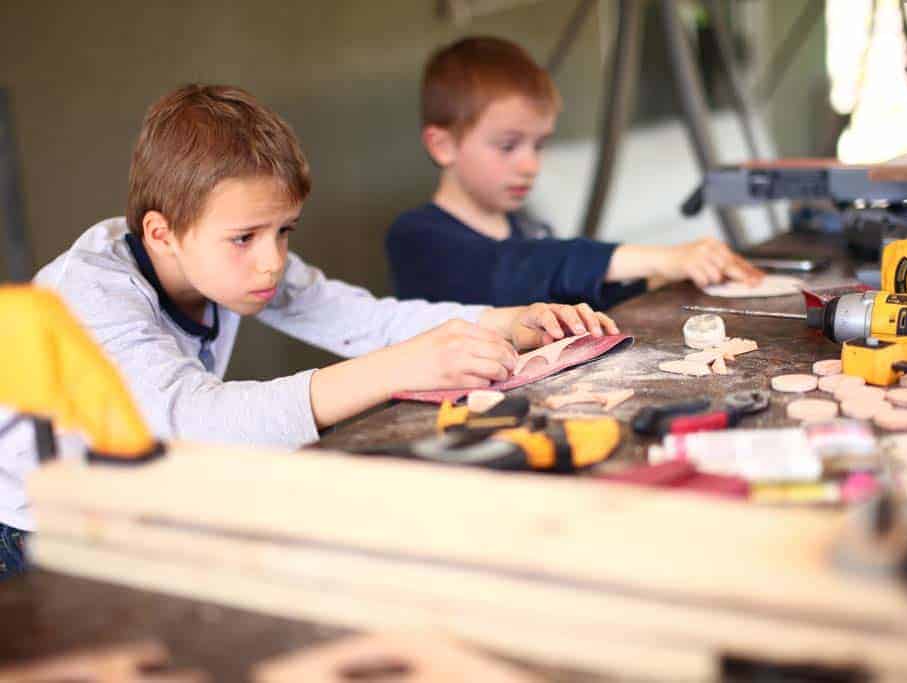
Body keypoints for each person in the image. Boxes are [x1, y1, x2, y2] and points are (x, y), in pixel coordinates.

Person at [0, 84, 619, 578]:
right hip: (32, 529)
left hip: (124, 493)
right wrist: (400, 367)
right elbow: (195, 420)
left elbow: (365, 319)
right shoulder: (93, 295)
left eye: (284, 231)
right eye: (245, 238)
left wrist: (504, 322)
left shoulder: (225, 258)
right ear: (161, 232)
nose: (271, 260)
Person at [387, 36, 763, 309]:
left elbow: (576, 296)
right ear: (443, 145)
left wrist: (659, 277)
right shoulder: (417, 238)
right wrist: (660, 256)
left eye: (539, 145)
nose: (530, 165)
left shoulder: (531, 231)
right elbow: (513, 269)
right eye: (508, 146)